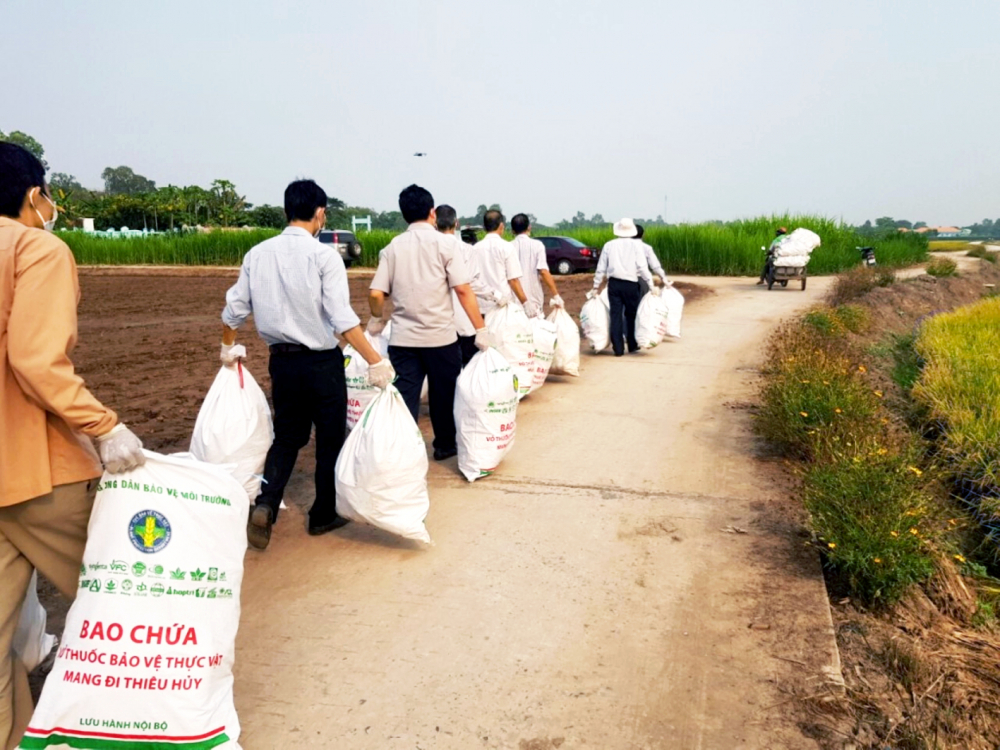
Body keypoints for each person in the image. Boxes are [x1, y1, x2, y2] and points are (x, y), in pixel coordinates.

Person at [0, 142, 146, 748]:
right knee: (132, 599)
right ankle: (140, 725)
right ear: (35, 195)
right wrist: (103, 424)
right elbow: (34, 358)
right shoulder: (37, 247)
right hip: (37, 471)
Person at [222, 179, 393, 551]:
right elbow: (342, 319)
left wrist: (228, 346)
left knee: (286, 438)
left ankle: (265, 504)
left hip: (281, 363)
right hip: (321, 363)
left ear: (287, 210)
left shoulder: (257, 254)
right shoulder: (324, 256)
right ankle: (322, 514)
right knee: (329, 438)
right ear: (320, 213)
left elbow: (233, 309)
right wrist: (376, 361)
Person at [368, 185, 488, 461]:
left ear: (404, 214)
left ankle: (403, 450)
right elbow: (463, 290)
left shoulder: (392, 248)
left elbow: (376, 293)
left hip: (403, 341)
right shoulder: (446, 245)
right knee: (442, 395)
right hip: (441, 339)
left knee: (406, 396)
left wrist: (376, 317)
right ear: (432, 212)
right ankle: (444, 445)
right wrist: (480, 328)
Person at [435, 204, 491, 366]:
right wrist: (496, 295)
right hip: (465, 319)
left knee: (444, 371)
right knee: (468, 368)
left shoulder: (429, 249)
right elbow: (472, 283)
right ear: (456, 223)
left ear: (435, 223)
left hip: (439, 322)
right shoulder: (467, 250)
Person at [590, 217, 653, 356]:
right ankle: (632, 344)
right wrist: (651, 284)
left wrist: (595, 286)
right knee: (631, 315)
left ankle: (618, 349)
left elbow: (601, 268)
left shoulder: (609, 245)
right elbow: (642, 267)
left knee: (616, 315)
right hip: (631, 284)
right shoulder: (637, 246)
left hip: (614, 284)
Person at [473, 210, 530, 316]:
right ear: (501, 225)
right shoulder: (506, 247)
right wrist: (525, 303)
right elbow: (513, 280)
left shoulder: (475, 249)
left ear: (484, 227)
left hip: (482, 307)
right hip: (502, 306)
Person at [510, 213, 564, 316]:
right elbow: (543, 271)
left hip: (514, 300)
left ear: (512, 231)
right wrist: (556, 295)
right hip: (534, 299)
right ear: (529, 227)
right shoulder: (537, 245)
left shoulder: (507, 247)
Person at [634, 223, 670, 297]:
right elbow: (655, 267)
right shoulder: (646, 248)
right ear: (643, 234)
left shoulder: (620, 247)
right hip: (641, 280)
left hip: (622, 281)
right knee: (641, 305)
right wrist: (664, 278)